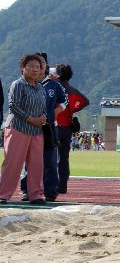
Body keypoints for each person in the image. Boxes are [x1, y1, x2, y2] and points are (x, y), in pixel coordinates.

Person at [0, 54, 48, 204]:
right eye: (31, 66)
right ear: (23, 68)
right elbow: (13, 106)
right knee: (13, 163)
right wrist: (32, 119)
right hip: (18, 128)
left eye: (38, 67)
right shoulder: (18, 84)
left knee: (36, 165)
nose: (35, 69)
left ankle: (36, 195)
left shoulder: (40, 87)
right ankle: (3, 194)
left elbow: (43, 106)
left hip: (36, 131)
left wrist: (42, 118)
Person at [20, 57, 67, 201]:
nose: (37, 68)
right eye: (34, 66)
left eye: (40, 65)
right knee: (29, 161)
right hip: (30, 126)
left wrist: (54, 113)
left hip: (49, 128)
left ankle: (50, 191)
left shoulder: (54, 85)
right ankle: (27, 190)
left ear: (45, 67)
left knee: (50, 160)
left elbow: (64, 102)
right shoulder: (25, 84)